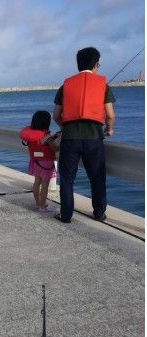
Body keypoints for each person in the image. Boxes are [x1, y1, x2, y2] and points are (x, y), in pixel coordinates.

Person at [53, 46, 116, 223]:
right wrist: (109, 129)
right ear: (96, 64)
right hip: (94, 140)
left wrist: (65, 126)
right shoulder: (103, 85)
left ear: (78, 64)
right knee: (97, 177)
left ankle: (65, 215)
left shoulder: (66, 85)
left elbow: (56, 116)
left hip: (70, 139)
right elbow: (110, 115)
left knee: (67, 178)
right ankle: (99, 213)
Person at [20, 111, 59, 212]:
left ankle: (38, 203)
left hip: (35, 161)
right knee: (45, 185)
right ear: (47, 122)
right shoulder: (46, 136)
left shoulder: (31, 135)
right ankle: (43, 205)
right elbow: (55, 149)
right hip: (46, 163)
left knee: (37, 182)